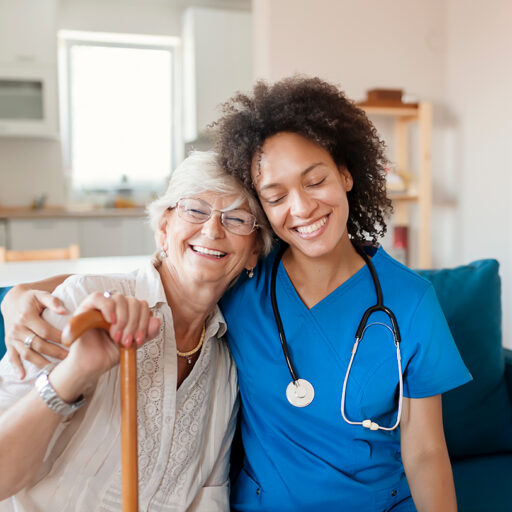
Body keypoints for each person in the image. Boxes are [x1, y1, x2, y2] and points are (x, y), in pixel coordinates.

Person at [2, 76, 471, 512]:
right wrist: (20, 292)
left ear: (346, 174)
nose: (302, 207)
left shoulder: (406, 303)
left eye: (316, 180)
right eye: (275, 195)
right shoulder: (239, 282)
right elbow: (143, 277)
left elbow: (426, 450)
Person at [0, 150, 272, 512]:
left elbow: (209, 497)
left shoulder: (227, 361)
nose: (212, 229)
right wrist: (76, 371)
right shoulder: (82, 302)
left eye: (237, 218)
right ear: (163, 228)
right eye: (195, 209)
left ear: (254, 251)